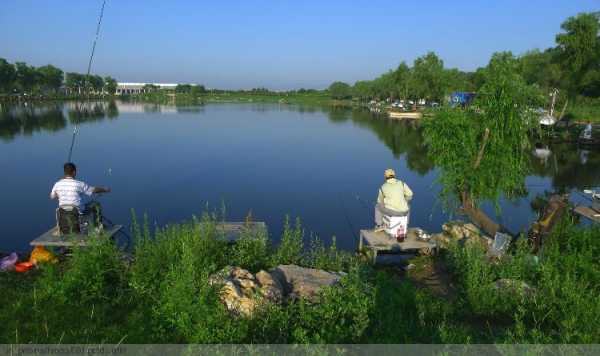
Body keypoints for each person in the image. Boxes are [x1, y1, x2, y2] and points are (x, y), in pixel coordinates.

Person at [50, 162, 111, 234]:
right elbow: (93, 190)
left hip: (63, 212)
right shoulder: (79, 184)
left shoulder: (57, 184)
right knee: (96, 205)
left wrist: (60, 193)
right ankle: (98, 227)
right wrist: (104, 189)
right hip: (78, 211)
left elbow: (52, 196)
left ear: (64, 172)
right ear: (74, 172)